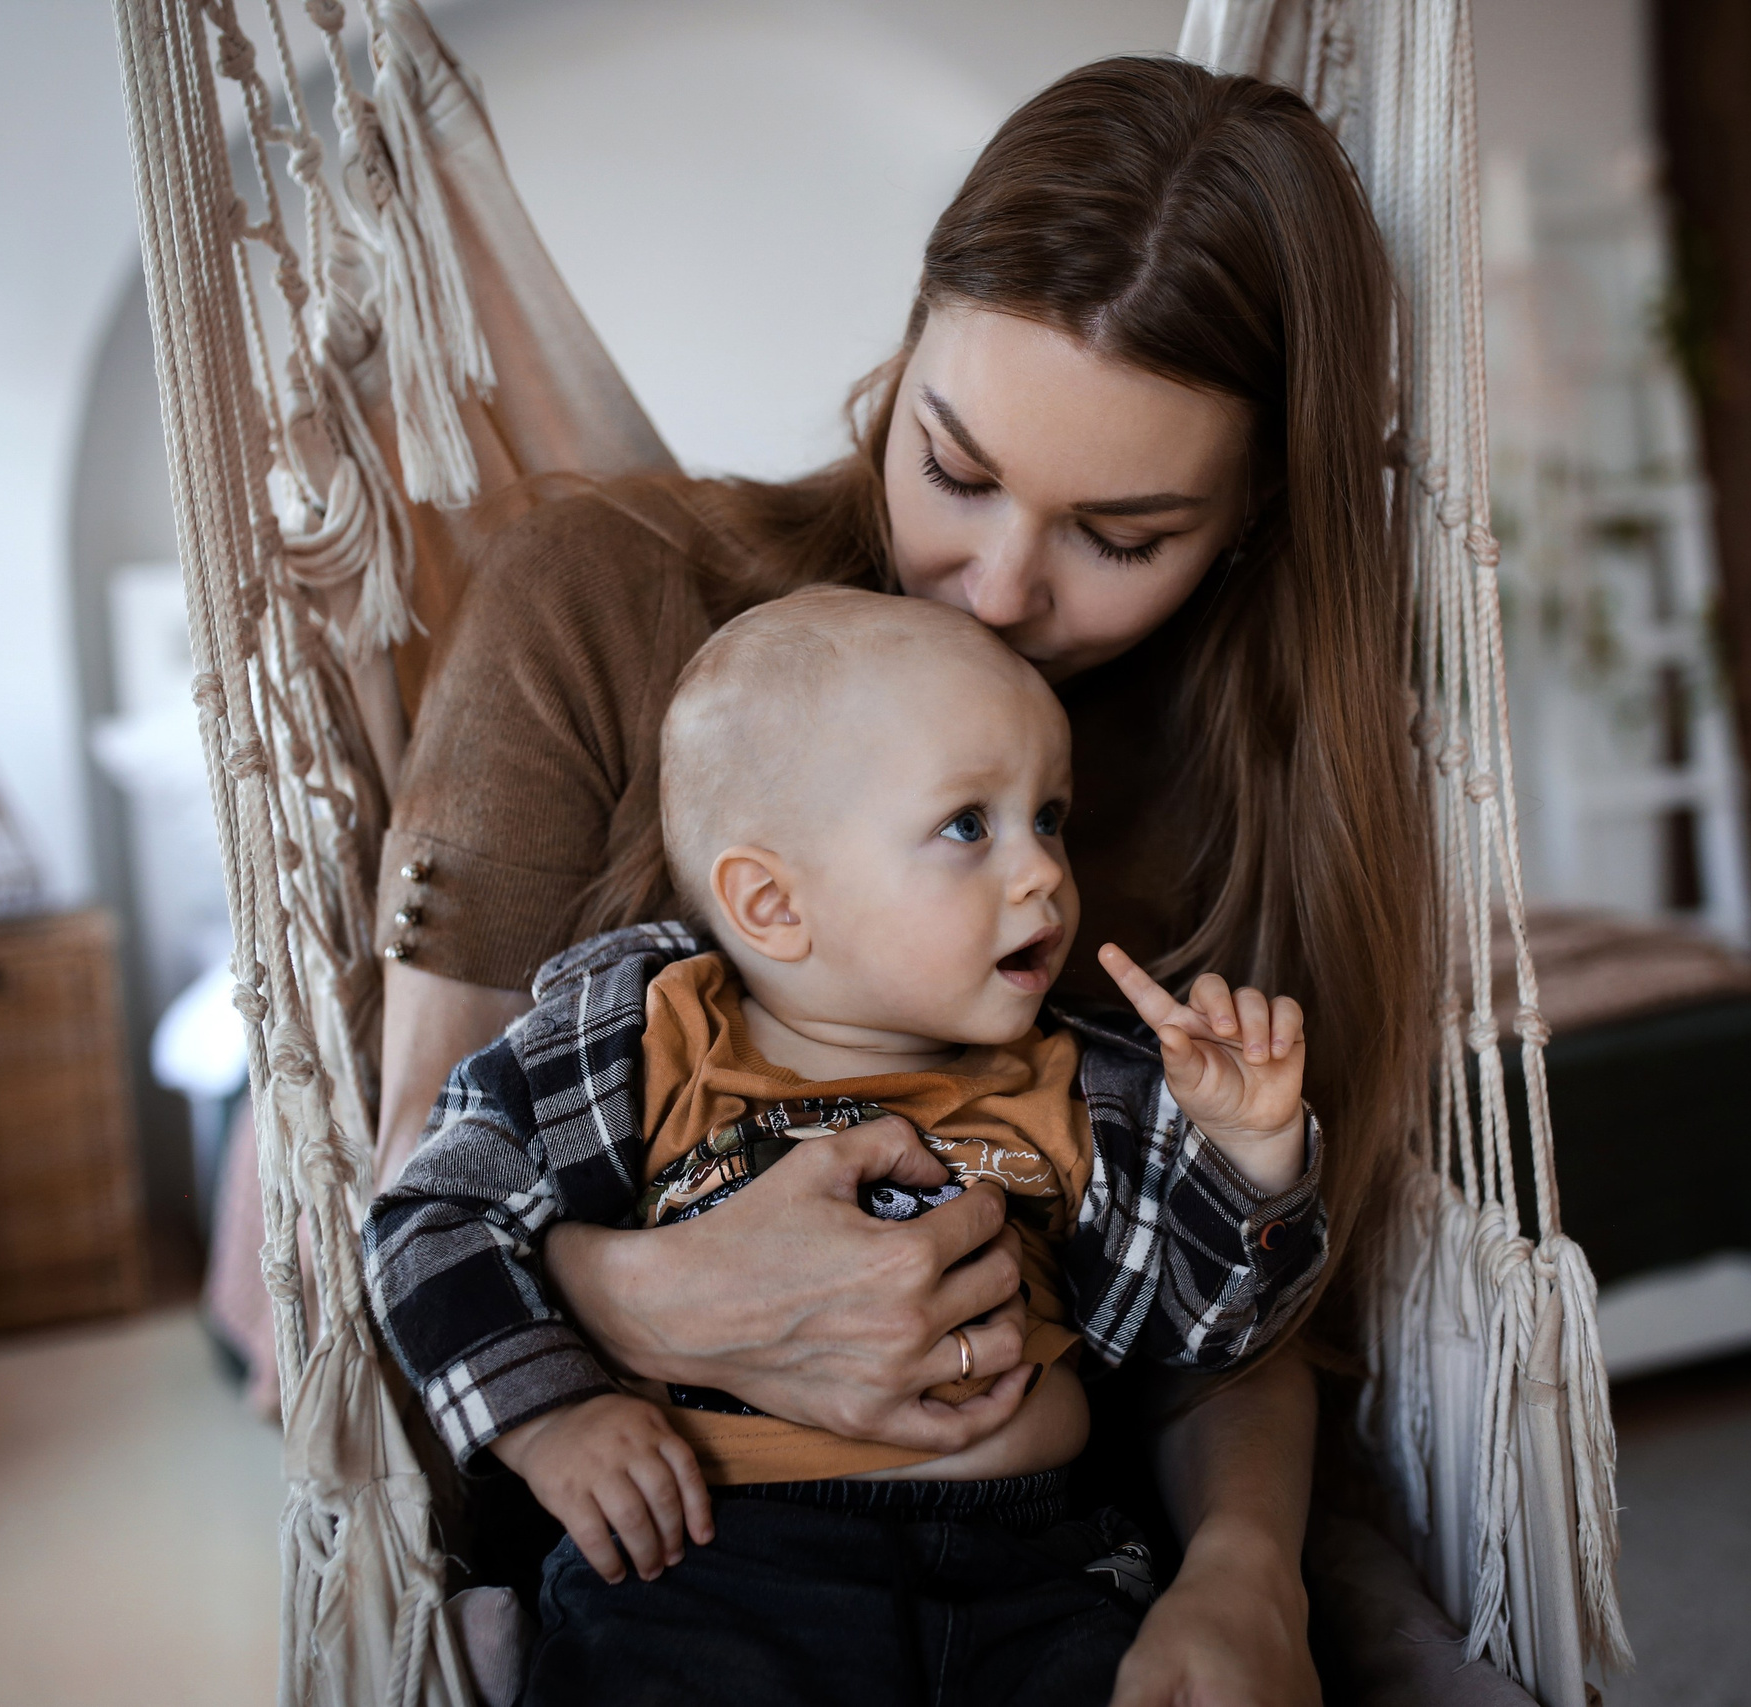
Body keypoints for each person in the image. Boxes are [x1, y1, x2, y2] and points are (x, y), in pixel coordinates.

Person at [373, 55, 1426, 1704]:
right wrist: (644, 1305)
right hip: (693, 1573)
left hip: (1042, 1572)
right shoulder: (602, 610)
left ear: (1243, 526)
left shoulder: (1256, 802)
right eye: (953, 465)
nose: (996, 585)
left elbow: (1231, 1326)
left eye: (1122, 535)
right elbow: (410, 1198)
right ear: (905, 346)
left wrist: (1242, 1579)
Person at [370, 589, 1330, 1701]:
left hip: (1032, 1567)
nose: (1043, 875)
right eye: (968, 825)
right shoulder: (630, 1044)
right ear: (773, 904)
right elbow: (429, 1223)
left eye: (1049, 817)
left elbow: (1203, 1335)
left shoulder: (1088, 1080)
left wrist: (1251, 1154)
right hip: (710, 1565)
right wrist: (552, 1416)